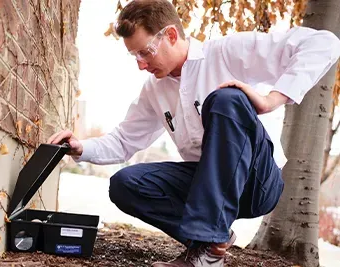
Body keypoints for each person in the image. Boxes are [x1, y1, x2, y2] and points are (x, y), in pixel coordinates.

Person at [48, 0, 340, 266]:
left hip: (256, 183)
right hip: (206, 184)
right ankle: (211, 243)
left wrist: (272, 99)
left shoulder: (227, 52)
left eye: (145, 52)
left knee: (226, 99)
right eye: (134, 56)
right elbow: (124, 140)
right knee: (125, 184)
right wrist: (80, 147)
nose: (141, 64)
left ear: (172, 36)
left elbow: (324, 43)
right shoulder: (154, 90)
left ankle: (209, 245)